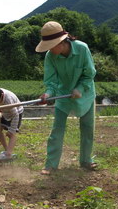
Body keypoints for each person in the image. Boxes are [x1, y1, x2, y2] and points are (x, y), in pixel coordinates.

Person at [35, 21, 97, 175]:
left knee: (88, 129)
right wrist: (48, 94)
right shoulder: (51, 56)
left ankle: (86, 161)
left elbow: (89, 74)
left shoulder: (82, 49)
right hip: (64, 95)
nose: (49, 49)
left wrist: (80, 88)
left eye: (51, 45)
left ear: (62, 42)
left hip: (85, 94)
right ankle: (51, 164)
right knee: (57, 129)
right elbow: (51, 81)